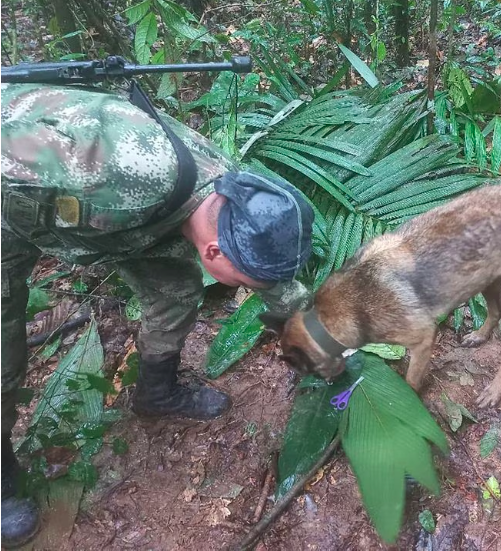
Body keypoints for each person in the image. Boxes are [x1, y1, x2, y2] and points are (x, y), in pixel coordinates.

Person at [0, 82, 314, 548]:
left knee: (176, 288)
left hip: (113, 220)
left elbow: (274, 279)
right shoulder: (114, 179)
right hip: (13, 197)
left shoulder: (232, 194)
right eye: (244, 283)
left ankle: (156, 393)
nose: (248, 290)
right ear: (214, 250)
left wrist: (322, 337)